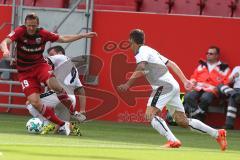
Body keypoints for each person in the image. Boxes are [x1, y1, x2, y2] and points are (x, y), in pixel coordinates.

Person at [118, 29, 227, 150]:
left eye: (130, 42)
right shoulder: (150, 50)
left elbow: (141, 66)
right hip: (173, 86)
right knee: (182, 121)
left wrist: (128, 84)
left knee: (150, 115)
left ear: (132, 41)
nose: (129, 45)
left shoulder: (141, 51)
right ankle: (217, 133)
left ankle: (173, 141)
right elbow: (171, 63)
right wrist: (184, 80)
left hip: (163, 86)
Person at [0, 13, 97, 135]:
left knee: (55, 86)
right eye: (29, 25)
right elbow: (4, 42)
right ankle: (63, 124)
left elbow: (63, 38)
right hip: (25, 73)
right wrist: (5, 50)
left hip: (39, 66)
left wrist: (82, 35)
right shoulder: (20, 31)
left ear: (37, 25)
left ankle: (70, 113)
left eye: (33, 26)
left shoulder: (43, 33)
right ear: (25, 24)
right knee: (34, 102)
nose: (31, 28)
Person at [27, 45, 86, 135]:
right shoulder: (73, 69)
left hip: (60, 95)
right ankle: (66, 125)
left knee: (30, 103)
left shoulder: (60, 57)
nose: (51, 56)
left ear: (60, 53)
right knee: (60, 126)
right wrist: (83, 109)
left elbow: (43, 61)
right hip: (71, 98)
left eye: (52, 54)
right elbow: (81, 90)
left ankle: (44, 124)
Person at [183, 46, 231, 122]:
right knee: (188, 96)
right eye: (207, 53)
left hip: (212, 90)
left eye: (211, 53)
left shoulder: (224, 68)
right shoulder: (201, 65)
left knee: (205, 98)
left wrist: (219, 89)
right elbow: (194, 76)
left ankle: (196, 116)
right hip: (198, 88)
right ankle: (199, 115)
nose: (208, 55)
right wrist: (193, 81)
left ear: (217, 55)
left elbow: (226, 82)